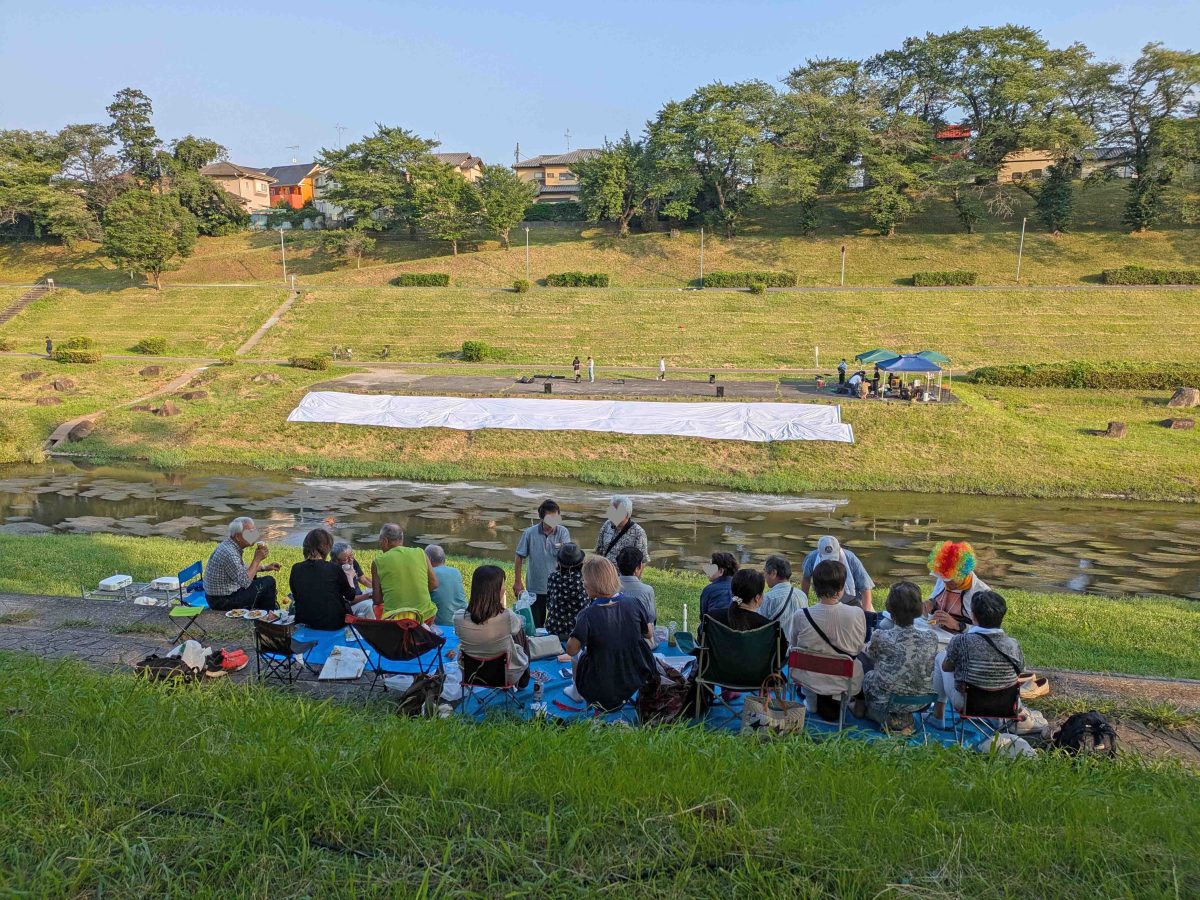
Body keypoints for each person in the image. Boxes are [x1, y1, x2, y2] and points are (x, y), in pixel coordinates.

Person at [565, 556, 655, 710]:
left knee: (576, 656)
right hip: (633, 673)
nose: (583, 583)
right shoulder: (634, 603)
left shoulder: (587, 615)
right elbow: (648, 634)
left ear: (590, 583)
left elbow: (571, 649)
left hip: (599, 681)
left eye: (584, 580)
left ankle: (576, 692)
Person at [929, 589, 1025, 727]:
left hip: (969, 704)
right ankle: (997, 721)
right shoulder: (1014, 644)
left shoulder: (960, 641)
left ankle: (938, 717)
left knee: (940, 657)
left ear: (973, 616)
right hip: (1007, 705)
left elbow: (946, 667)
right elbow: (1020, 670)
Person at [786, 559, 867, 720]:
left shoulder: (801, 615)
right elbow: (858, 648)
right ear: (842, 587)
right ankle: (849, 701)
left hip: (807, 677)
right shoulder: (857, 613)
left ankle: (811, 699)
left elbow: (793, 644)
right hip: (844, 680)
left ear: (814, 586)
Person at [851, 582, 939, 729]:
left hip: (886, 700)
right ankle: (902, 716)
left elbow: (871, 656)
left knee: (862, 660)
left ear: (890, 608)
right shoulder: (932, 637)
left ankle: (861, 706)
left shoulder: (881, 636)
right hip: (922, 702)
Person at [453, 564, 530, 689]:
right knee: (519, 632)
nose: (505, 589)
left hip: (471, 674)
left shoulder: (458, 618)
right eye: (503, 585)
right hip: (504, 675)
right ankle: (523, 681)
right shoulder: (507, 617)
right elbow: (517, 627)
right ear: (497, 590)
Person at [514, 499, 571, 629]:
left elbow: (569, 557)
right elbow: (519, 556)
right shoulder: (530, 533)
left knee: (556, 623)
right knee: (535, 624)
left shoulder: (563, 532)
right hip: (535, 586)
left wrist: (564, 549)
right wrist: (518, 581)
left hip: (557, 586)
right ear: (541, 517)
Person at [203, 516, 280, 611]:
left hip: (220, 596)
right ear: (238, 537)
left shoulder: (230, 545)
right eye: (250, 533)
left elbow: (241, 568)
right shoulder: (230, 553)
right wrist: (257, 559)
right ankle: (267, 617)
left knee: (257, 579)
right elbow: (245, 582)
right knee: (269, 581)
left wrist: (265, 567)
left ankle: (261, 610)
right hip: (222, 601)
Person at [290, 528, 358, 630]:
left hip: (306, 622)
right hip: (334, 624)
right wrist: (349, 576)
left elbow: (296, 595)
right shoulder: (334, 568)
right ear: (327, 548)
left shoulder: (296, 568)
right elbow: (351, 596)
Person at [371, 523, 438, 623]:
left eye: (380, 541)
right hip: (425, 616)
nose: (380, 545)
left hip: (395, 620)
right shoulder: (420, 552)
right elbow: (434, 584)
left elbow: (377, 600)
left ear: (385, 541)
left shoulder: (378, 562)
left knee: (377, 607)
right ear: (401, 539)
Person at [925, 540, 990, 634]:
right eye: (943, 579)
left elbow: (986, 632)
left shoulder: (982, 593)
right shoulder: (943, 579)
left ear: (963, 574)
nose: (946, 584)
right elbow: (932, 620)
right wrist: (930, 607)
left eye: (950, 581)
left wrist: (958, 625)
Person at [801, 535, 875, 612]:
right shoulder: (812, 557)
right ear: (819, 552)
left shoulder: (851, 558)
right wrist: (804, 602)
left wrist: (866, 612)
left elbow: (865, 587)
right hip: (826, 602)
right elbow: (806, 579)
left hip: (852, 601)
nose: (831, 563)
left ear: (839, 549)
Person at [546, 542, 588, 641]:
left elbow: (548, 604)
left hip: (554, 630)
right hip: (579, 632)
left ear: (559, 561)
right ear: (581, 561)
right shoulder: (585, 580)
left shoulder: (553, 577)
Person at [595, 495, 649, 564]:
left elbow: (642, 561)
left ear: (626, 514)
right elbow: (599, 550)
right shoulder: (607, 525)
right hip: (605, 572)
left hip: (623, 574)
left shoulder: (638, 533)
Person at [426, 544, 466, 626]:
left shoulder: (429, 574)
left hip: (440, 624)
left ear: (428, 559)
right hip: (462, 620)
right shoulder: (456, 572)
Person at [615, 545, 656, 625]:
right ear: (639, 567)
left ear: (618, 566)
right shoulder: (647, 590)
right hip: (639, 634)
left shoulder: (610, 587)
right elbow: (651, 618)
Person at [760, 554, 804, 624]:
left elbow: (760, 626)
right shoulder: (802, 595)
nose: (764, 575)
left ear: (773, 573)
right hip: (798, 635)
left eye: (764, 571)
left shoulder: (768, 598)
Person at [698, 552, 739, 622]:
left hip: (714, 631)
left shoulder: (708, 590)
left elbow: (703, 617)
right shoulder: (742, 588)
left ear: (721, 571)